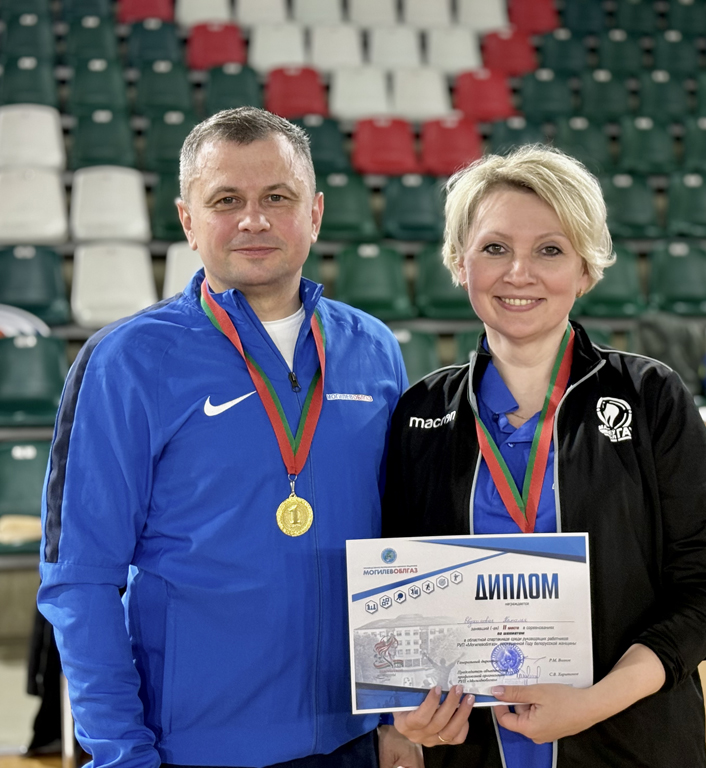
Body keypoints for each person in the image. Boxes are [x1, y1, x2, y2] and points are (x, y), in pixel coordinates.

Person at [38, 107, 422, 768]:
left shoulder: (373, 348)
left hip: (353, 744)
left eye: (278, 197)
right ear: (188, 221)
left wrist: (397, 719)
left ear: (315, 214)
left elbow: (397, 545)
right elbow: (80, 581)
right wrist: (123, 756)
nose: (253, 220)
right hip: (188, 750)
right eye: (226, 201)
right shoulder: (127, 362)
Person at [382, 145, 706, 767]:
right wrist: (406, 714)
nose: (519, 272)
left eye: (550, 250)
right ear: (460, 262)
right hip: (473, 752)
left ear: (585, 270)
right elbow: (394, 595)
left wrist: (596, 701)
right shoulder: (421, 413)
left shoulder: (649, 396)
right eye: (495, 248)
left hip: (628, 745)